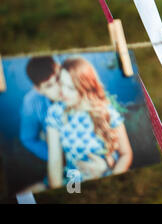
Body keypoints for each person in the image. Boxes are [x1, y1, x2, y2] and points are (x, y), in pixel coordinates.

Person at [46, 57, 133, 188]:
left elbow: (126, 154)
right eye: (62, 84)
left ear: (85, 87)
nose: (63, 92)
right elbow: (55, 162)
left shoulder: (107, 112)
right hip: (74, 186)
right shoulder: (55, 112)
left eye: (71, 88)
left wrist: (112, 177)